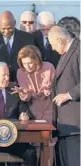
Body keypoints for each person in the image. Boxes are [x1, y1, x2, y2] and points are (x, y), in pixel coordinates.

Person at [48, 26, 80, 166]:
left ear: (59, 40)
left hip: (76, 124)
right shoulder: (65, 54)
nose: (53, 49)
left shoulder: (78, 51)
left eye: (52, 44)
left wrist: (68, 95)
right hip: (65, 126)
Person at [0, 10, 35, 86]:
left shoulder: (27, 38)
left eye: (9, 28)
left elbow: (33, 61)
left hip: (22, 84)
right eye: (3, 29)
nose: (6, 31)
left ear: (15, 23)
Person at [12, 45, 55, 122]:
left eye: (30, 63)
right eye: (24, 63)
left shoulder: (48, 67)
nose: (27, 66)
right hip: (33, 111)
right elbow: (27, 97)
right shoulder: (20, 72)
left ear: (37, 60)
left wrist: (49, 90)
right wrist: (23, 93)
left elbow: (55, 88)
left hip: (50, 107)